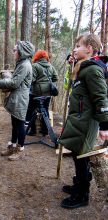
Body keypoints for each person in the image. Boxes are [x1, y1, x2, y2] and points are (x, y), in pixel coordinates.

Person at [59, 34, 108, 209]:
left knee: (81, 156)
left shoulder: (93, 70)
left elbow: (101, 97)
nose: (74, 48)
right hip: (78, 119)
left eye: (78, 46)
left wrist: (104, 125)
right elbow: (70, 86)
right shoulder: (82, 68)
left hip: (86, 122)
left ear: (89, 49)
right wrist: (71, 64)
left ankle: (82, 195)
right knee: (76, 153)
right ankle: (78, 184)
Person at [0, 41, 34, 161]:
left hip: (20, 100)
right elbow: (16, 79)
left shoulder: (25, 65)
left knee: (20, 125)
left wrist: (0, 83)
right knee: (14, 124)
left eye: (15, 50)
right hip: (17, 98)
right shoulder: (22, 63)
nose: (13, 52)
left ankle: (20, 149)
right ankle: (12, 147)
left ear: (21, 51)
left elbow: (14, 83)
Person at [26, 50, 58, 136]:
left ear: (37, 57)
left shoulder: (35, 66)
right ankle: (45, 130)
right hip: (48, 92)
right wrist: (48, 82)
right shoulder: (50, 66)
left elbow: (32, 79)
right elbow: (56, 78)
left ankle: (32, 131)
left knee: (32, 110)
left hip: (36, 92)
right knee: (45, 109)